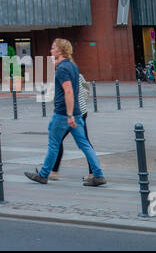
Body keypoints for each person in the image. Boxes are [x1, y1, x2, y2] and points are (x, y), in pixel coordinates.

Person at [26, 38, 105, 186]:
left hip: (63, 114)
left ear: (60, 51)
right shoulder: (72, 66)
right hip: (76, 112)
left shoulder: (62, 69)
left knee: (54, 144)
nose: (51, 50)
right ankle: (98, 174)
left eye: (53, 48)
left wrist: (69, 115)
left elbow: (68, 91)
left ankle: (43, 175)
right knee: (84, 144)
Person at [50, 61, 91, 179]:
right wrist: (82, 102)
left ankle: (53, 171)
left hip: (69, 113)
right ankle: (94, 173)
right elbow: (86, 89)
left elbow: (61, 95)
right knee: (84, 142)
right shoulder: (78, 74)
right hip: (81, 111)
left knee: (57, 140)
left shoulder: (60, 74)